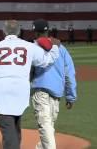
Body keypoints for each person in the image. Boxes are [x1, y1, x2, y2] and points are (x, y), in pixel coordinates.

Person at [0, 19, 60, 149]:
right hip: (20, 91)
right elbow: (47, 60)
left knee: (9, 132)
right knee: (14, 129)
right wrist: (55, 47)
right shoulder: (29, 46)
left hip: (1, 91)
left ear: (4, 32)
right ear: (19, 31)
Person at [31, 19, 77, 149]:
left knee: (47, 129)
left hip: (42, 92)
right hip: (54, 93)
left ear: (35, 32)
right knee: (47, 129)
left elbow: (28, 72)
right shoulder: (61, 48)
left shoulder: (33, 48)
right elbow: (69, 73)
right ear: (48, 30)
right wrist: (71, 96)